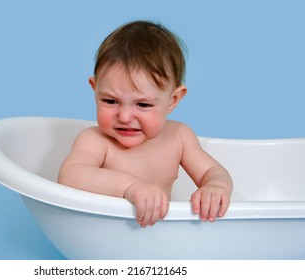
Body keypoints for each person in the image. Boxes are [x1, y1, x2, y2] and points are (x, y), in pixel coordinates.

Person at [58, 20, 233, 227]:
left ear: (173, 100)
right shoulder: (95, 141)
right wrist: (130, 185)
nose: (124, 116)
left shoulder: (179, 137)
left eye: (142, 104)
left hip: (157, 238)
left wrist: (215, 186)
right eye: (110, 101)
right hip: (103, 233)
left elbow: (211, 171)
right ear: (94, 88)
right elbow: (70, 175)